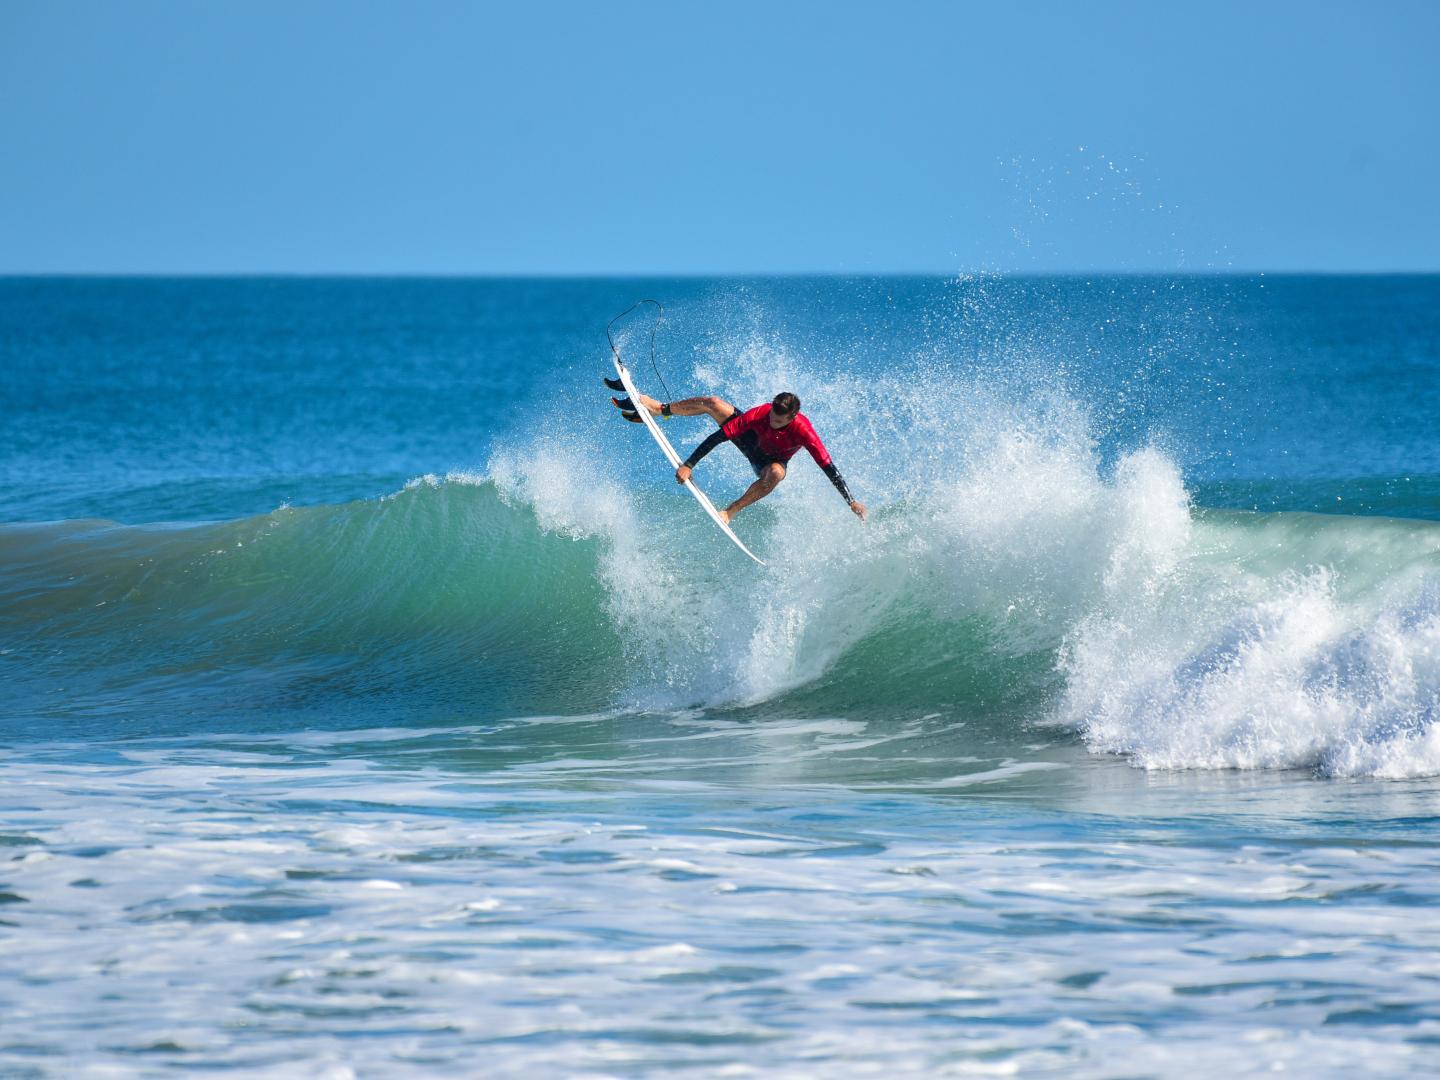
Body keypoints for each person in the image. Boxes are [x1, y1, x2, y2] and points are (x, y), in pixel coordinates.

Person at [609, 385, 867, 525]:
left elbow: (828, 467)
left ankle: (730, 512)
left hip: (769, 462)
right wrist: (689, 464)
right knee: (714, 403)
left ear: (792, 417)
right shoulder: (762, 413)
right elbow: (721, 436)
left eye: (779, 421)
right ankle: (660, 409)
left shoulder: (805, 432)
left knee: (777, 473)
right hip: (749, 443)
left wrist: (851, 501)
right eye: (772, 417)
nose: (773, 422)